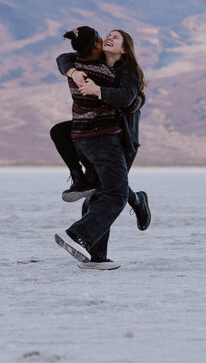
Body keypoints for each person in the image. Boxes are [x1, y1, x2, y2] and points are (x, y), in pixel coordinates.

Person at [54, 27, 150, 270]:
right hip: (100, 135)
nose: (108, 38)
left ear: (124, 49)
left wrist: (100, 91)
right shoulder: (95, 64)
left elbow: (127, 98)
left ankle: (133, 204)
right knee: (104, 190)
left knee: (109, 191)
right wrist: (74, 72)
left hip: (124, 140)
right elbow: (63, 58)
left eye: (115, 38)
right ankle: (95, 254)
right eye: (107, 35)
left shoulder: (128, 70)